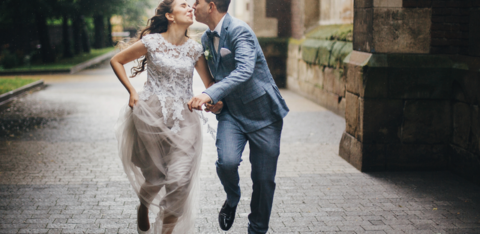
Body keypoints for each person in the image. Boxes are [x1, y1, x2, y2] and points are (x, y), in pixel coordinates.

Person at [110, 0, 222, 233]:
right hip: (150, 115)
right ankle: (144, 205)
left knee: (179, 180)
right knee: (155, 177)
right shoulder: (151, 42)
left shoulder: (194, 49)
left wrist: (212, 98)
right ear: (170, 16)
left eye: (191, 5)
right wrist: (131, 90)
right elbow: (117, 60)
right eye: (184, 5)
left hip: (185, 119)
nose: (191, 8)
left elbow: (209, 84)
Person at [188, 0, 289, 233]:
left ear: (211, 5)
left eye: (198, 2)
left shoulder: (239, 30)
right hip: (231, 114)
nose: (193, 5)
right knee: (227, 163)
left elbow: (244, 70)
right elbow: (221, 76)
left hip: (263, 114)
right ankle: (233, 198)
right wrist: (217, 100)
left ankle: (257, 229)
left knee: (264, 180)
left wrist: (208, 94)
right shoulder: (205, 38)